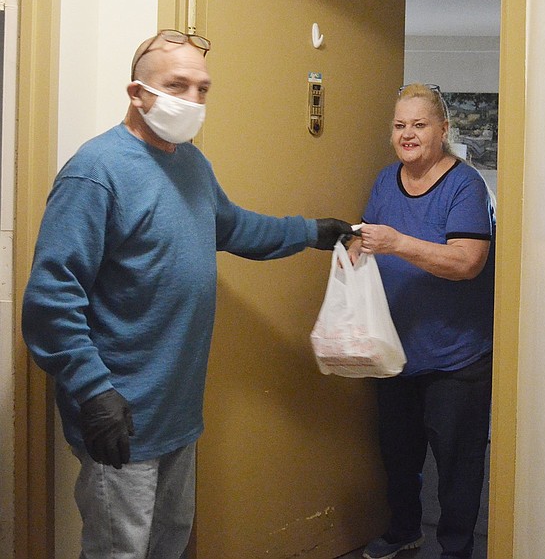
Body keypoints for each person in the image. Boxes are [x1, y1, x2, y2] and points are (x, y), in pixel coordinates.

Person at [21, 29, 356, 559]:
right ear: (137, 93)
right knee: (118, 551)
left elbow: (233, 226)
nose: (193, 100)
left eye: (203, 89)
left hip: (177, 410)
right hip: (120, 411)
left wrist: (311, 231)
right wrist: (94, 391)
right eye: (177, 85)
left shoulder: (191, 164)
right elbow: (50, 299)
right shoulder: (97, 172)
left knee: (168, 543)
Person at [350, 83, 495, 559]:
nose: (407, 134)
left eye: (419, 124)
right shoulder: (383, 180)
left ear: (443, 130)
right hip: (394, 353)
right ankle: (403, 531)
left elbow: (467, 261)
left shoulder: (465, 185)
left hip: (456, 358)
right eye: (399, 125)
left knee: (457, 465)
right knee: (398, 457)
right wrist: (352, 250)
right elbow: (370, 239)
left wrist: (397, 244)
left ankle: (454, 549)